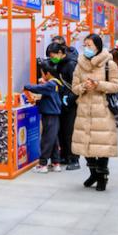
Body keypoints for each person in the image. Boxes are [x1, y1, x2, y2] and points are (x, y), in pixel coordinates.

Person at [72, 34, 118, 192]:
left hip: (103, 109)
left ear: (98, 46)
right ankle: (93, 173)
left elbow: (116, 85)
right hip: (84, 110)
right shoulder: (79, 64)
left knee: (102, 144)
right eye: (85, 45)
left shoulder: (109, 64)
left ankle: (102, 177)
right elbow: (74, 87)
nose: (86, 48)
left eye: (90, 45)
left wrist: (98, 84)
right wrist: (83, 87)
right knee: (85, 144)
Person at [24, 60, 62, 173]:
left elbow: (37, 89)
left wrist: (27, 86)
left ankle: (42, 164)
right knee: (53, 139)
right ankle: (56, 162)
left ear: (48, 74)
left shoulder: (51, 84)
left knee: (46, 139)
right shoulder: (55, 83)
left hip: (50, 115)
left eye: (42, 73)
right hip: (53, 115)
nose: (41, 76)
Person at [47, 41, 80, 170]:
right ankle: (65, 156)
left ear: (60, 53)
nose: (51, 58)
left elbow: (75, 85)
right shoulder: (60, 63)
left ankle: (74, 159)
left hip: (70, 103)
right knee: (62, 131)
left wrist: (69, 99)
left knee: (69, 132)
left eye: (52, 55)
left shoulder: (71, 64)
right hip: (62, 102)